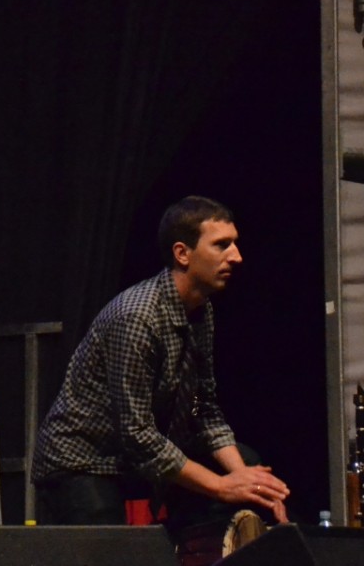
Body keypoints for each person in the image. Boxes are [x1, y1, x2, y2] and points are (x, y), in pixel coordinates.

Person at [31, 195, 290, 529]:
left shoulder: (201, 310)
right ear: (182, 253)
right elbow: (137, 436)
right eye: (222, 245)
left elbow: (204, 410)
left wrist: (243, 479)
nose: (236, 256)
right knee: (109, 540)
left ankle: (199, 548)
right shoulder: (137, 317)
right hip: (83, 460)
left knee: (248, 466)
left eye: (235, 243)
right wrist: (221, 486)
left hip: (136, 456)